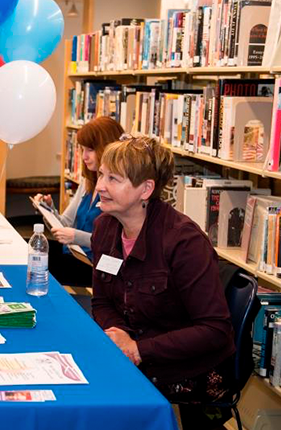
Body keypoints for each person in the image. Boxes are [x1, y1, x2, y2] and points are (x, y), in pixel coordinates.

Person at [90, 135, 235, 429]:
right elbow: (102, 300)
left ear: (146, 189)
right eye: (101, 175)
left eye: (113, 178)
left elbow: (215, 329)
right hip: (133, 354)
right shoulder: (104, 228)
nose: (100, 186)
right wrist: (118, 334)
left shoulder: (184, 241)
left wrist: (138, 349)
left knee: (96, 399)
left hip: (187, 369)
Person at [32, 116, 124, 286]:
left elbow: (115, 242)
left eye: (90, 150)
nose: (84, 157)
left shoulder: (118, 190)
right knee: (31, 250)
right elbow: (65, 223)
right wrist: (48, 210)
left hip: (94, 264)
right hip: (74, 254)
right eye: (82, 150)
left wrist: (75, 236)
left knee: (39, 262)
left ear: (107, 149)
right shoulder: (87, 182)